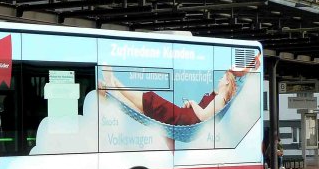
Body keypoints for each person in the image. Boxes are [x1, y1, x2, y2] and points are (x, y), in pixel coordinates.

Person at [99, 56, 258, 126]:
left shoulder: (221, 98)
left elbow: (202, 116)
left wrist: (194, 103)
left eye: (222, 78)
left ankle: (115, 85)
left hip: (184, 119)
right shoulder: (220, 97)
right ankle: (115, 88)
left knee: (151, 99)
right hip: (184, 116)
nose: (219, 80)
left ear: (228, 84)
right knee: (144, 111)